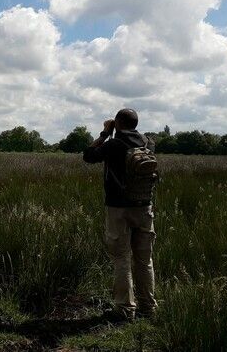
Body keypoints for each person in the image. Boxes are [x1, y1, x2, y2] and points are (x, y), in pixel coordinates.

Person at [83, 108, 158, 320]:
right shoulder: (148, 143)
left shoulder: (113, 144)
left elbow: (88, 156)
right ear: (136, 123)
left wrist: (105, 133)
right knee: (145, 260)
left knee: (122, 258)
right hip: (144, 207)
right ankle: (148, 308)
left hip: (118, 208)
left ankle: (125, 309)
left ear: (117, 123)